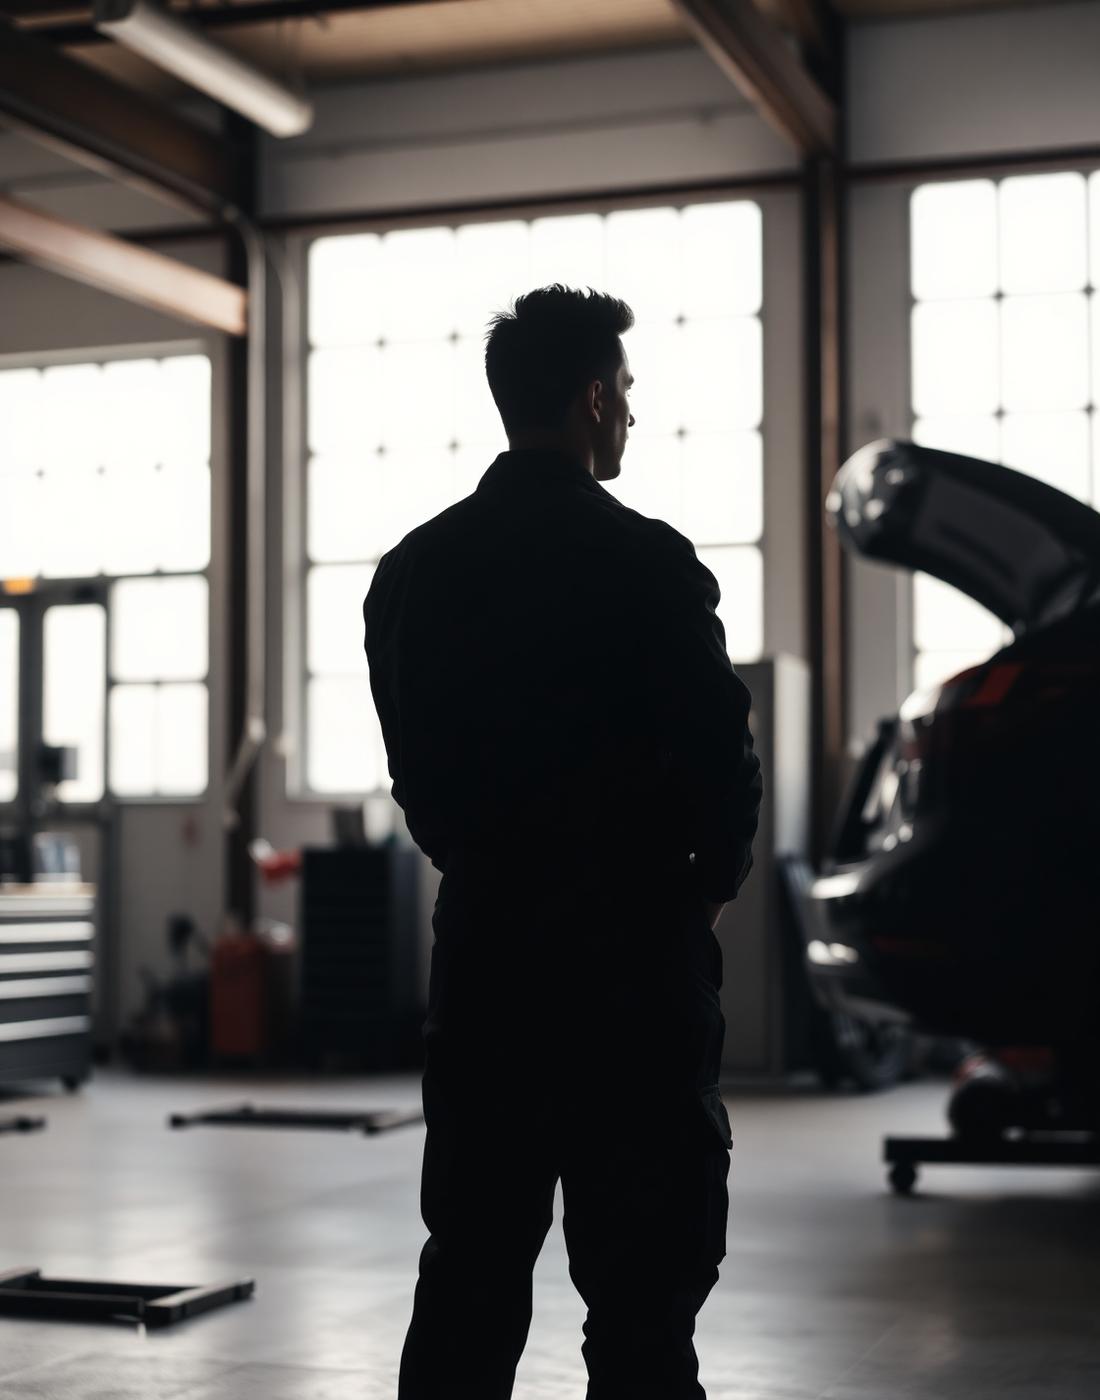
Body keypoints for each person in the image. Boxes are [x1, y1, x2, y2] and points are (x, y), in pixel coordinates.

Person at [363, 284, 762, 1399]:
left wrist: (491, 865)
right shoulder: (647, 561)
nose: (630, 414)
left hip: (488, 956)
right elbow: (719, 755)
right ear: (591, 397)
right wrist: (703, 889)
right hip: (634, 963)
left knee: (471, 1270)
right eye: (625, 392)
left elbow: (417, 777)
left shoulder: (412, 572)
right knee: (642, 1296)